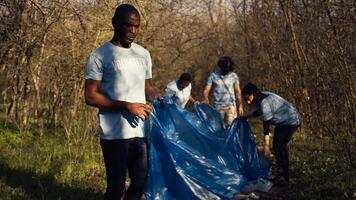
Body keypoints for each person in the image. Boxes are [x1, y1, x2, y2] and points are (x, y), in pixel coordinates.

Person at [84, 4, 161, 200]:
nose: (133, 31)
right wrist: (127, 106)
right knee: (116, 188)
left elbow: (147, 86)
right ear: (115, 23)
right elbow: (90, 95)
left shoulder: (143, 54)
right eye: (128, 26)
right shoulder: (100, 55)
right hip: (114, 134)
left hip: (140, 132)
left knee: (140, 183)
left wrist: (156, 96)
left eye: (137, 26)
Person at [241, 82, 300, 185]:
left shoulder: (264, 103)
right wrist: (246, 116)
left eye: (247, 99)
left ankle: (284, 177)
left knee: (279, 146)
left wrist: (266, 146)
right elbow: (258, 112)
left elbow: (266, 127)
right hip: (283, 122)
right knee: (278, 146)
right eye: (245, 100)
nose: (247, 102)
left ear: (253, 94)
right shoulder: (261, 97)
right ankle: (280, 174)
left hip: (291, 121)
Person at [202, 56, 244, 127]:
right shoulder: (213, 76)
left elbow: (238, 92)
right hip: (217, 107)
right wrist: (206, 98)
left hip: (231, 106)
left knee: (232, 127)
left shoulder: (233, 76)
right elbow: (206, 90)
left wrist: (240, 106)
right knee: (218, 128)